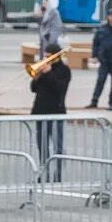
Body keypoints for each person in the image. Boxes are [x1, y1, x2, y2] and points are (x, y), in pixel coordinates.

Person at [30, 41, 71, 182]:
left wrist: (49, 74)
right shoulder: (42, 69)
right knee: (42, 145)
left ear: (56, 57)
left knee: (57, 145)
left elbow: (60, 89)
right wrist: (38, 76)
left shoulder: (64, 70)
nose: (45, 59)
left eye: (48, 56)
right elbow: (33, 88)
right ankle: (44, 172)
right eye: (45, 56)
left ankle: (58, 173)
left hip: (56, 111)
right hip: (41, 111)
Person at [89, 8, 112, 109]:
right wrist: (94, 56)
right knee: (100, 81)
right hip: (104, 60)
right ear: (108, 17)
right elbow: (96, 44)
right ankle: (94, 101)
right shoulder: (102, 29)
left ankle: (111, 102)